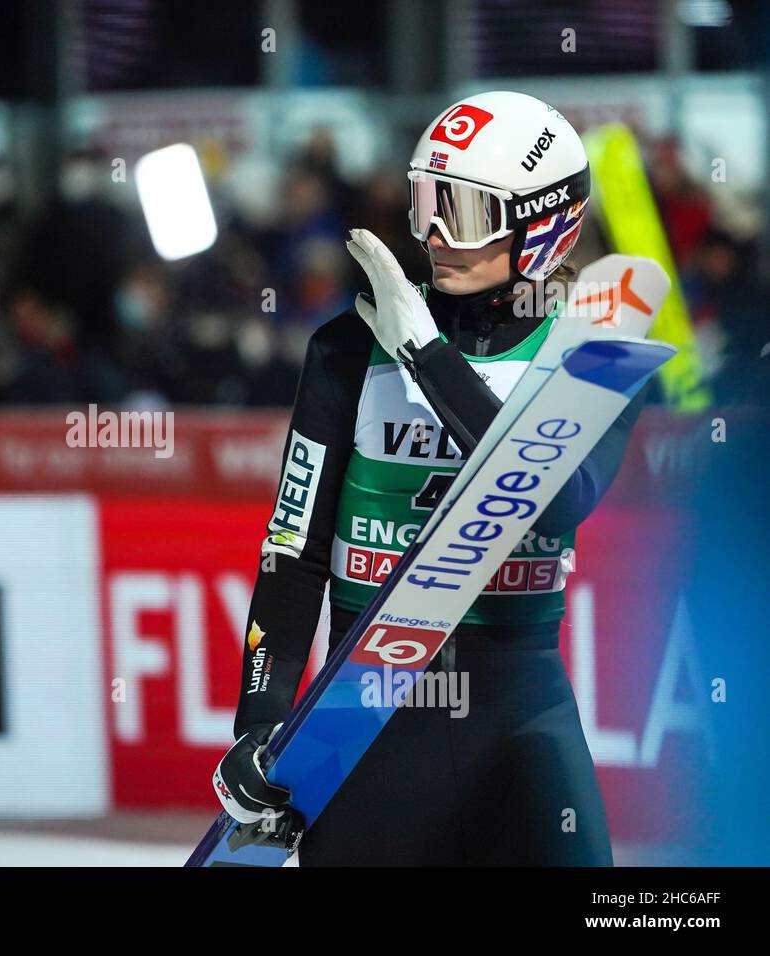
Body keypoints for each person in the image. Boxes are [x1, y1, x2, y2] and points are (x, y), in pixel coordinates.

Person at [214, 91, 637, 866]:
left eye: (467, 213)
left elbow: (556, 504)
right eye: (427, 204)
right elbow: (294, 550)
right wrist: (261, 720)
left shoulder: (596, 347)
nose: (437, 237)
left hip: (519, 710)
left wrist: (429, 359)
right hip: (364, 719)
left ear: (542, 225)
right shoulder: (348, 347)